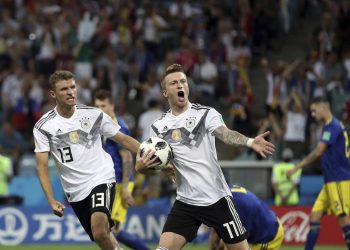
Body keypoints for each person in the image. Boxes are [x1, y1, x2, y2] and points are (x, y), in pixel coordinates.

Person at [135, 64, 275, 250]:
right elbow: (159, 165)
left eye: (183, 81)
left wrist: (249, 142)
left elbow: (225, 134)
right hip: (186, 202)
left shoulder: (205, 114)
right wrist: (142, 168)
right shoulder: (159, 127)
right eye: (174, 83)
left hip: (217, 198)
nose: (180, 85)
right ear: (165, 92)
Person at [33, 70, 141, 250]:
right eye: (64, 89)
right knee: (103, 235)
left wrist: (148, 153)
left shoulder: (93, 115)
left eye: (73, 87)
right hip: (75, 191)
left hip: (101, 178)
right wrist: (51, 200)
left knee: (99, 230)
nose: (70, 92)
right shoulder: (44, 126)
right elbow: (41, 166)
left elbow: (123, 139)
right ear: (53, 94)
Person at [287, 96, 350, 250]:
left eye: (314, 111)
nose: (313, 115)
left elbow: (318, 152)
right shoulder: (333, 126)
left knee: (343, 218)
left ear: (323, 108)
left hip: (338, 179)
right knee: (315, 216)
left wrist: (297, 167)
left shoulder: (332, 126)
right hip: (330, 181)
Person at [94, 89, 150, 250]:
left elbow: (126, 158)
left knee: (113, 230)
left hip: (120, 182)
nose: (100, 109)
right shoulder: (99, 126)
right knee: (107, 229)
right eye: (97, 106)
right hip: (108, 182)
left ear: (112, 106)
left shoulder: (118, 127)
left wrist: (125, 187)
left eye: (103, 105)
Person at [209, 185, 284, 250]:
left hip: (269, 234)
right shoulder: (226, 191)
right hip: (266, 221)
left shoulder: (229, 205)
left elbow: (232, 244)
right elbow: (215, 232)